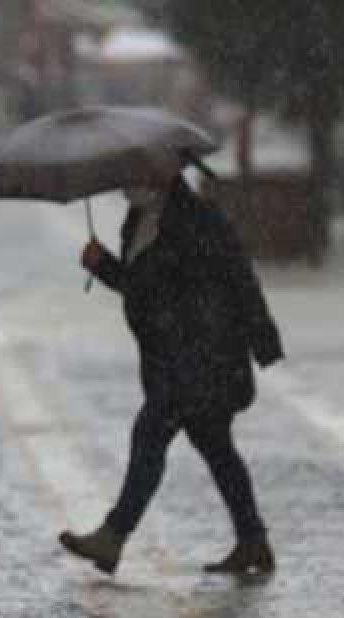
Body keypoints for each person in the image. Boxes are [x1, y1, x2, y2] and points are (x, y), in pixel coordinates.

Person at [60, 154, 284, 577]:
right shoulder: (139, 219)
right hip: (173, 357)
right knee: (214, 445)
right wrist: (104, 266)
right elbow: (140, 287)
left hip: (203, 354)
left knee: (150, 433)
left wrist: (262, 340)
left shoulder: (198, 220)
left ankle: (112, 537)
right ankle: (253, 540)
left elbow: (238, 277)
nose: (129, 183)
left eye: (137, 174)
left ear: (164, 173)